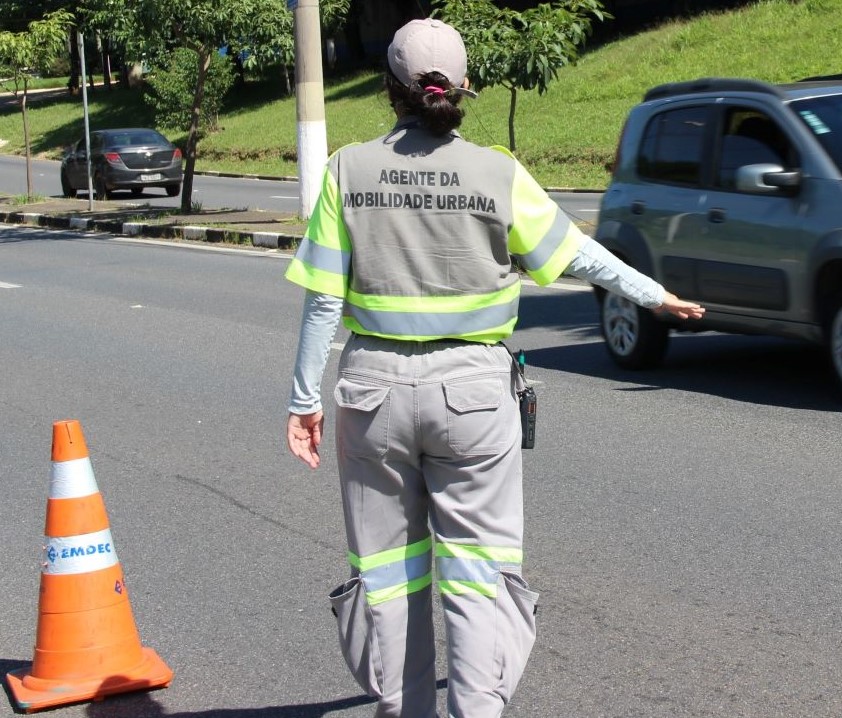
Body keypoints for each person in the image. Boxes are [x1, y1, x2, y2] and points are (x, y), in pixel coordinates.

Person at [284, 18, 705, 718]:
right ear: (463, 89)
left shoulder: (346, 171)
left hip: (372, 396)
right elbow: (579, 256)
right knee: (478, 577)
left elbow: (323, 304)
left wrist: (304, 401)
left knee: (387, 581)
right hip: (475, 401)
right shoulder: (497, 173)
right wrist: (654, 294)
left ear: (390, 90)